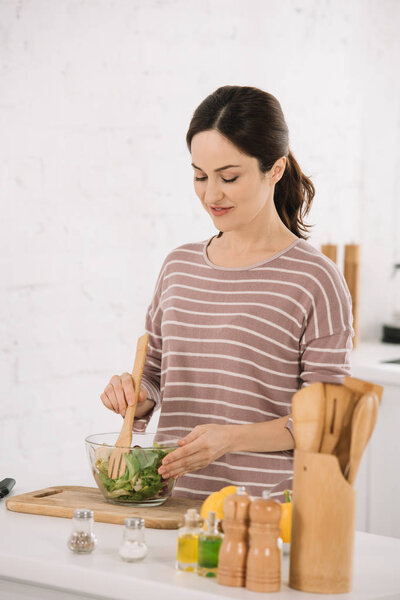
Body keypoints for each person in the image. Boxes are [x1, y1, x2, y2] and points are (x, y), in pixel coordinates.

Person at [100, 85, 354, 502]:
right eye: (200, 176)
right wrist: (137, 396)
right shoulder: (179, 265)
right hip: (170, 503)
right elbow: (156, 373)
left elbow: (327, 423)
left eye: (229, 177)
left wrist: (230, 439)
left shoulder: (316, 279)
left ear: (275, 169)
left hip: (264, 512)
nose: (211, 194)